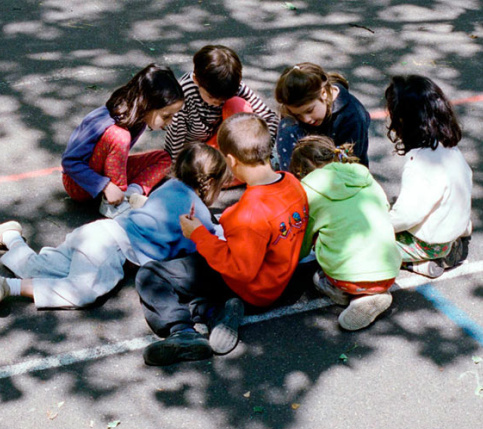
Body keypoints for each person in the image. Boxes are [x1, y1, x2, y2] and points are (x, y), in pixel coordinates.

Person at [136, 113, 309, 366]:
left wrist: (197, 233)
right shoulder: (292, 182)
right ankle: (214, 312)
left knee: (152, 274)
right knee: (194, 288)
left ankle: (182, 332)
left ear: (230, 160)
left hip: (248, 287)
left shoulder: (248, 213)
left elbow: (239, 269)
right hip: (277, 281)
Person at [0, 143, 227, 309]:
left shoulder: (170, 187)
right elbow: (214, 243)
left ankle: (11, 236)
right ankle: (9, 287)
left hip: (98, 232)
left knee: (38, 268)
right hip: (113, 249)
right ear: (211, 184)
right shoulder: (198, 211)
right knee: (81, 292)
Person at [290, 135, 401, 331]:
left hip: (346, 278)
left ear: (301, 171)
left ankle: (342, 292)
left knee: (317, 273)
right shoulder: (362, 175)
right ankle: (367, 294)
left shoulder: (308, 190)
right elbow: (384, 208)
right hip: (389, 271)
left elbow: (304, 239)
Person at [61, 64, 184, 218]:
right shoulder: (105, 121)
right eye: (166, 116)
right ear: (149, 104)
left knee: (163, 158)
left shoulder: (139, 118)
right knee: (120, 136)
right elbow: (69, 162)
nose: (170, 121)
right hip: (79, 184)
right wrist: (105, 185)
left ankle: (129, 195)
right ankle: (112, 205)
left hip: (104, 175)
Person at [385, 75, 473, 278]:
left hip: (431, 243)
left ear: (403, 121)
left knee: (367, 245)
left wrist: (380, 223)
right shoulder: (449, 148)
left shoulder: (422, 163)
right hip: (455, 227)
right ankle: (450, 248)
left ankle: (420, 263)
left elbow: (407, 216)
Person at [164, 45, 279, 162]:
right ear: (196, 80)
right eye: (212, 98)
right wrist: (176, 167)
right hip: (197, 151)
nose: (217, 104)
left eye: (222, 100)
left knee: (236, 104)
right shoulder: (183, 94)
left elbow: (269, 117)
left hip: (223, 143)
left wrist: (261, 151)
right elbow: (175, 136)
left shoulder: (231, 85)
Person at [275, 62, 370, 171]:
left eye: (309, 111)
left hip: (344, 173)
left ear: (323, 93)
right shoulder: (293, 114)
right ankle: (291, 181)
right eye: (298, 115)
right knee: (287, 126)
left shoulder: (352, 116)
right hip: (308, 166)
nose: (306, 119)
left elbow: (350, 161)